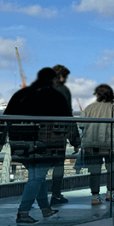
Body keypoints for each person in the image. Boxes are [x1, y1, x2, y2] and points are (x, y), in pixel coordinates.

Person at [0, 68, 73, 226]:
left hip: (18, 143)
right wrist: (74, 141)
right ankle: (23, 212)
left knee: (38, 176)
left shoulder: (20, 94)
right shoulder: (55, 96)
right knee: (37, 177)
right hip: (43, 144)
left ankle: (45, 209)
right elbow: (69, 121)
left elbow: (6, 118)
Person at [80, 84, 114, 205]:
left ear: (97, 95)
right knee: (112, 169)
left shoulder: (89, 108)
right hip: (108, 144)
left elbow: (81, 124)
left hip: (91, 144)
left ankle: (95, 196)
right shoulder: (112, 108)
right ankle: (110, 193)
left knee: (94, 171)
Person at [48, 64, 76, 206]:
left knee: (40, 168)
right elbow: (68, 115)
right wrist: (75, 140)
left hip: (41, 135)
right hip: (57, 135)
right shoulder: (63, 91)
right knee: (58, 166)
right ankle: (56, 195)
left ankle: (38, 196)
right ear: (61, 77)